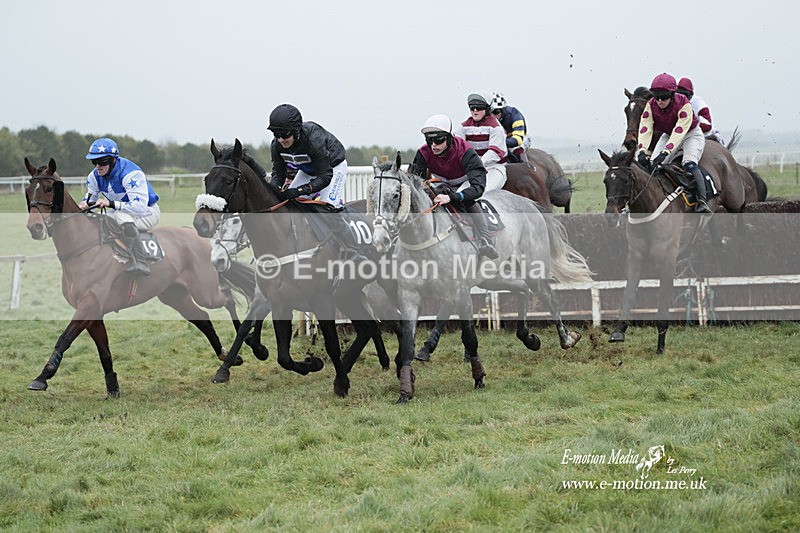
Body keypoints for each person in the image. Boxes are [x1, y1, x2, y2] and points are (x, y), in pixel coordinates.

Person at [266, 103, 366, 266]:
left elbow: (325, 177)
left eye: (284, 134)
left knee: (327, 209)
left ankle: (355, 252)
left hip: (333, 168)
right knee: (289, 204)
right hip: (308, 170)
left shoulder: (314, 138)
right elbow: (278, 173)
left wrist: (299, 190)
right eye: (276, 134)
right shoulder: (276, 145)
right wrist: (275, 189)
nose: (281, 139)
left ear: (296, 131)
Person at [410, 114, 499, 260]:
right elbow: (415, 182)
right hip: (441, 182)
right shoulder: (423, 152)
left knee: (467, 200)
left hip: (465, 182)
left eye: (438, 140)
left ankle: (486, 240)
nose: (433, 145)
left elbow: (478, 188)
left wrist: (452, 197)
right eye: (429, 140)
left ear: (449, 138)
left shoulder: (466, 151)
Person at [78, 138, 160, 275]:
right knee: (99, 218)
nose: (97, 166)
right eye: (94, 161)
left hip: (147, 212)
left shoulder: (131, 174)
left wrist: (110, 203)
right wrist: (83, 204)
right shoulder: (94, 176)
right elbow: (90, 200)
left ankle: (141, 262)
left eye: (102, 161)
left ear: (113, 160)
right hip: (122, 212)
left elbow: (139, 207)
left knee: (121, 216)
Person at [636, 73, 712, 214]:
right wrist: (642, 151)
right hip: (669, 134)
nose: (659, 101)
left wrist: (665, 152)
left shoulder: (684, 103)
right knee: (653, 165)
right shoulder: (650, 105)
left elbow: (679, 130)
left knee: (689, 163)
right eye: (656, 96)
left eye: (663, 97)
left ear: (672, 94)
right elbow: (645, 128)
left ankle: (702, 200)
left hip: (691, 134)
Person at [455, 92, 508, 191]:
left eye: (479, 107)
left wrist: (477, 163)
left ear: (487, 109)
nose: (475, 110)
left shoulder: (496, 127)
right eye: (472, 107)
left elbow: (495, 152)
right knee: (460, 192)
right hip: (472, 169)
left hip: (494, 168)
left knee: (481, 191)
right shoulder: (463, 126)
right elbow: (456, 147)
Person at [677, 77, 725, 146]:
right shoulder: (673, 103)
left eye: (685, 95)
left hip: (706, 135)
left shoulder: (699, 104)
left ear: (691, 94)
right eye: (679, 95)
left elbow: (707, 126)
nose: (683, 98)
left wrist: (686, 128)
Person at [490, 91, 531, 165]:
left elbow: (518, 139)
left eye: (496, 112)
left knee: (517, 149)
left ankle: (526, 166)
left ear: (503, 109)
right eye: (490, 112)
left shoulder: (514, 114)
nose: (493, 116)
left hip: (518, 139)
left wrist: (499, 142)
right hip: (497, 141)